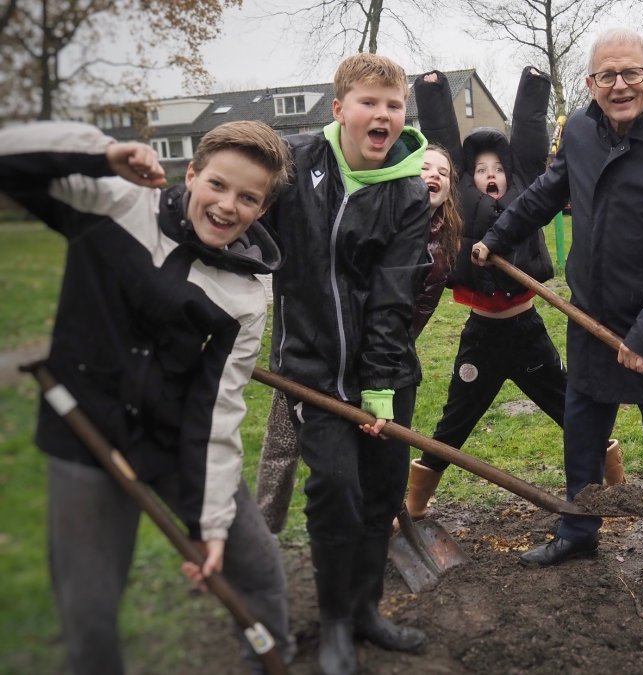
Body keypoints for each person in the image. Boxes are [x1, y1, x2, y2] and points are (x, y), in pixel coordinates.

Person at [0, 120, 294, 673]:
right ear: (191, 174)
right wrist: (102, 153)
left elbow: (218, 411)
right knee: (87, 612)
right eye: (218, 185)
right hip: (82, 434)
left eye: (248, 198)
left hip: (173, 441)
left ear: (262, 209)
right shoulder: (114, 203)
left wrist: (210, 526)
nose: (228, 206)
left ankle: (271, 660)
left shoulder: (247, 294)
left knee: (256, 569)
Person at [473, 27, 643, 607]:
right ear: (590, 84)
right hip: (590, 318)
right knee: (581, 435)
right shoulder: (581, 132)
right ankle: (578, 529)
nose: (619, 85)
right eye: (606, 75)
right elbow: (544, 193)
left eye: (631, 72)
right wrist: (497, 236)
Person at [265, 52, 431, 674]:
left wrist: (380, 391)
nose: (382, 114)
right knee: (334, 488)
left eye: (393, 105)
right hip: (310, 371)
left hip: (385, 372)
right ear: (340, 109)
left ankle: (366, 610)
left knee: (382, 492)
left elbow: (394, 297)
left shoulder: (408, 191)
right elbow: (239, 171)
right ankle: (334, 620)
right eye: (369, 102)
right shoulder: (297, 161)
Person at [254, 141, 462, 534]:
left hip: (384, 359)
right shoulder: (375, 213)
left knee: (373, 455)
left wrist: (378, 369)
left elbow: (403, 312)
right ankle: (262, 528)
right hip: (319, 351)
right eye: (425, 168)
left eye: (443, 173)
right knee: (283, 445)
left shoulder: (444, 243)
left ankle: (373, 526)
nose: (432, 176)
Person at [405, 66, 583, 520]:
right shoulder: (460, 202)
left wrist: (535, 84)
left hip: (527, 329)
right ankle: (416, 498)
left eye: (498, 169)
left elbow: (527, 140)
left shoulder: (525, 197)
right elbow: (442, 139)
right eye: (480, 169)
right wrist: (432, 91)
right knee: (454, 422)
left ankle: (611, 477)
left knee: (568, 406)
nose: (491, 175)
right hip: (481, 335)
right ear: (468, 177)